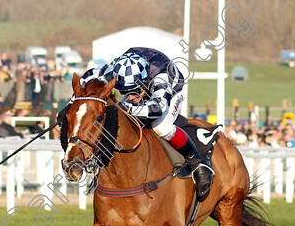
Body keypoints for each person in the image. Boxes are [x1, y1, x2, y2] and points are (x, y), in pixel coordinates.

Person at [84, 48, 214, 200]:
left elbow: (157, 109)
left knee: (161, 126)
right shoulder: (114, 69)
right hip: (145, 84)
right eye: (125, 91)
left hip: (172, 90)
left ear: (144, 80)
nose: (130, 95)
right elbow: (85, 78)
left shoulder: (161, 78)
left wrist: (127, 107)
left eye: (134, 90)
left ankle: (198, 163)